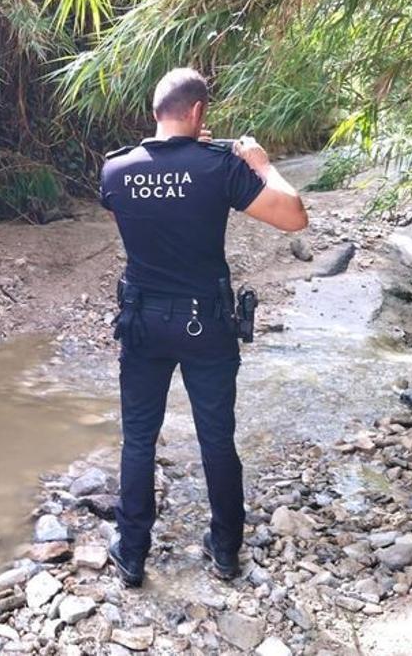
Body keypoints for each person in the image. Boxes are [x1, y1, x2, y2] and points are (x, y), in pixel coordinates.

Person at [99, 67, 307, 587]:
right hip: (206, 324)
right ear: (198, 113)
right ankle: (225, 551)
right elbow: (294, 217)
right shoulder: (220, 167)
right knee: (216, 437)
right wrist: (259, 164)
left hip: (142, 320)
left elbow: (158, 201)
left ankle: (132, 553)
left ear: (155, 112)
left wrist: (189, 158)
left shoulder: (115, 171)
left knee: (139, 439)